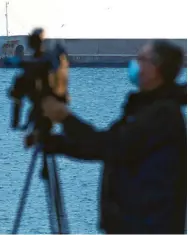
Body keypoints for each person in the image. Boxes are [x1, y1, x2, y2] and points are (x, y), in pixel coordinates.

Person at [40, 39, 187, 234]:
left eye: (141, 59)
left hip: (148, 226)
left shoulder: (162, 115)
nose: (135, 64)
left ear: (156, 68)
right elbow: (105, 146)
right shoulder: (144, 108)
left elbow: (110, 146)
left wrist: (65, 118)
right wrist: (55, 144)